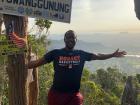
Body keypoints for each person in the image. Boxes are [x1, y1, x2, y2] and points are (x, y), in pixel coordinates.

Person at [27, 30, 126, 105]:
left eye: (73, 38)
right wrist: (24, 65)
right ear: (65, 39)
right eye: (68, 37)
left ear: (76, 40)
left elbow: (98, 55)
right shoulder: (56, 53)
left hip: (74, 95)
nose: (71, 39)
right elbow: (38, 62)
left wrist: (112, 55)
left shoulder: (81, 54)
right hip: (57, 94)